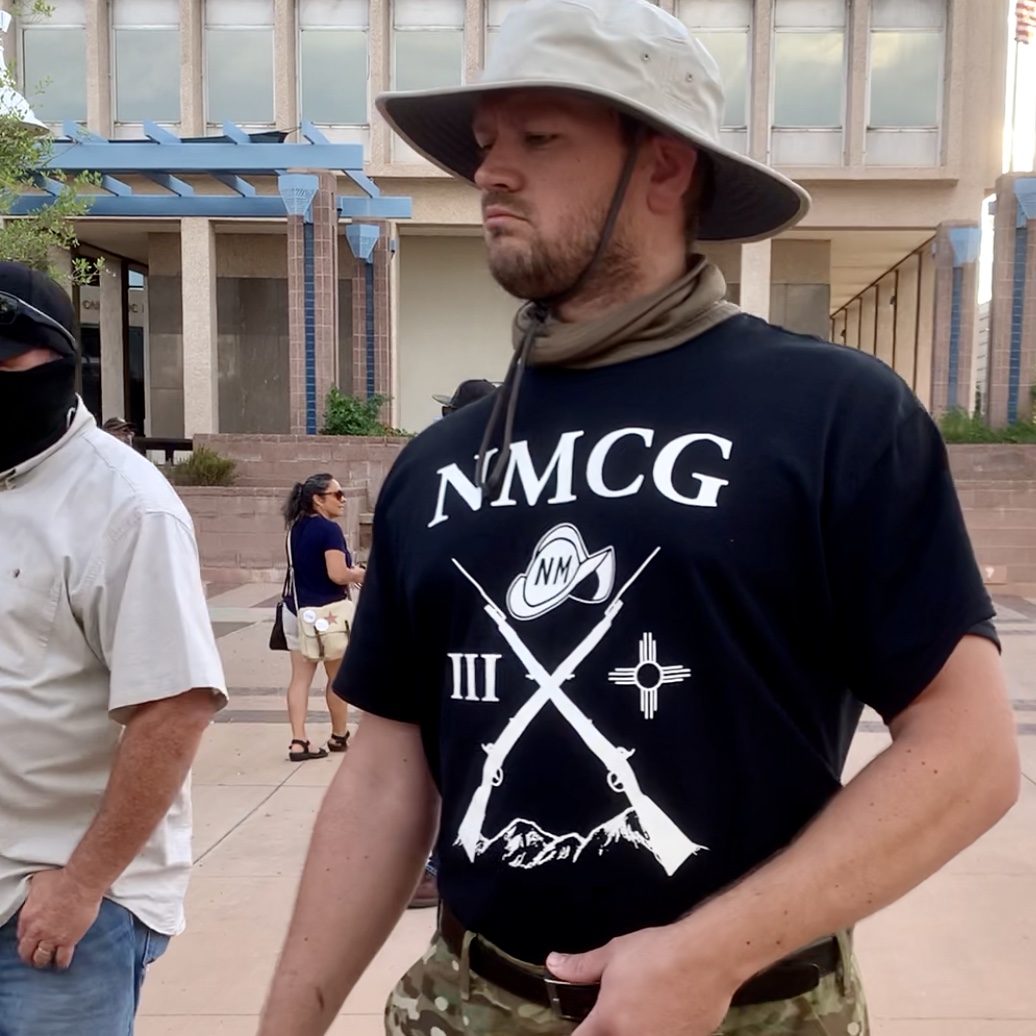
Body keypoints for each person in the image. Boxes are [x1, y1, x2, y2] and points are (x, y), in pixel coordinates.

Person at [257, 2, 1021, 1035]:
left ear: (663, 169)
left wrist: (711, 948)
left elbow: (967, 752)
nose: (491, 172)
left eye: (539, 138)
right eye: (485, 144)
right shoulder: (440, 461)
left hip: (747, 1012)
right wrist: (285, 1023)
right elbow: (386, 777)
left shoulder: (832, 414)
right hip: (466, 1004)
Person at [0, 261, 227, 1035]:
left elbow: (175, 708)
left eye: (6, 355)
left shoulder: (127, 506)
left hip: (55, 905)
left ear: (63, 361)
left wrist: (82, 882)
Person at [411, 377, 499, 910]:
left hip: (468, 645)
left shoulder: (445, 478)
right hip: (469, 642)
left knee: (455, 763)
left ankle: (438, 864)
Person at [280, 473, 365, 762]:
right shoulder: (329, 531)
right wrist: (362, 574)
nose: (343, 500)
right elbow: (337, 574)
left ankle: (298, 741)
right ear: (318, 499)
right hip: (327, 616)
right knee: (336, 677)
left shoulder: (295, 529)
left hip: (296, 611)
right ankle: (338, 736)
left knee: (300, 680)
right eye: (337, 495)